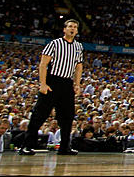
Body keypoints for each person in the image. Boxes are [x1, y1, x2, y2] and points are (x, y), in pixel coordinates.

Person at [18, 19, 84, 156]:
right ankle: (26, 146)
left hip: (67, 82)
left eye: (75, 27)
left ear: (77, 31)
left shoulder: (79, 46)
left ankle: (65, 147)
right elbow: (43, 64)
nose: (72, 29)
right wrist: (43, 83)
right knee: (39, 115)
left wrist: (77, 84)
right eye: (70, 26)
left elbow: (78, 67)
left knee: (67, 117)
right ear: (64, 29)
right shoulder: (54, 44)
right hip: (52, 81)